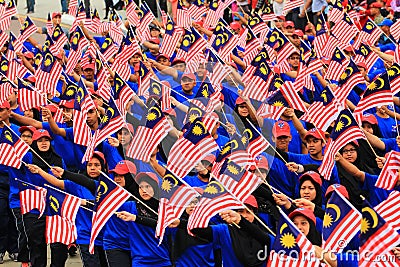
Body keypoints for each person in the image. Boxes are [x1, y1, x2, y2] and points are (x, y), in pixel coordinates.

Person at [26, 152, 110, 267]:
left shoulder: (109, 185)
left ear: (103, 167)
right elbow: (57, 182)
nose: (93, 168)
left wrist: (88, 203)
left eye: (97, 165)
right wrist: (40, 171)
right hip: (86, 236)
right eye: (89, 165)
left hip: (105, 235)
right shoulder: (76, 185)